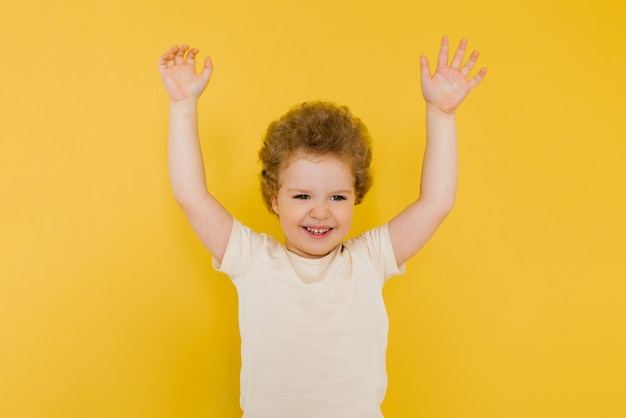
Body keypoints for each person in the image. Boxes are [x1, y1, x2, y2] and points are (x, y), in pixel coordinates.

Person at [158, 36, 486, 417]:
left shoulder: (369, 259)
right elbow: (191, 195)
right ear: (274, 199)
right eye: (302, 197)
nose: (320, 212)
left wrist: (442, 115)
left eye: (336, 197)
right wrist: (182, 106)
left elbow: (436, 202)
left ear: (356, 196)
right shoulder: (251, 259)